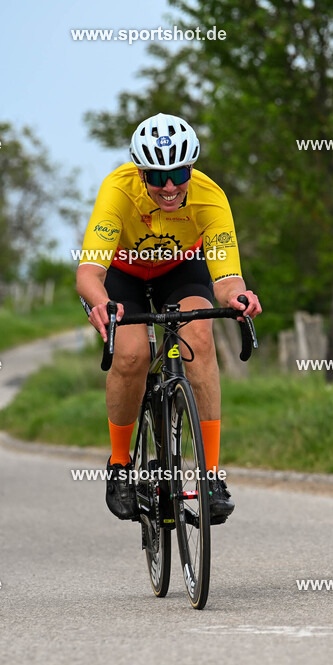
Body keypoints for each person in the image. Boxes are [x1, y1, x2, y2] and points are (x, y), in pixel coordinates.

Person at [76, 113, 261, 524]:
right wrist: (102, 304)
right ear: (140, 174)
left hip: (179, 269)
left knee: (199, 336)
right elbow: (89, 273)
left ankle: (211, 475)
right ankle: (121, 466)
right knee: (131, 357)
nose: (170, 186)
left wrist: (240, 297)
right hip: (122, 274)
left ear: (190, 168)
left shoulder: (209, 197)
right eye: (157, 177)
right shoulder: (118, 190)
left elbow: (227, 279)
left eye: (179, 173)